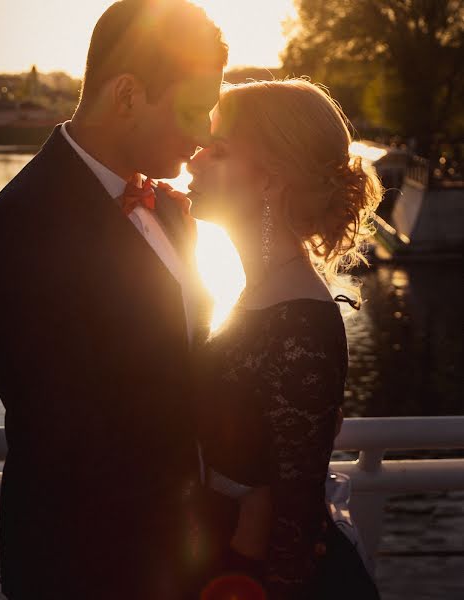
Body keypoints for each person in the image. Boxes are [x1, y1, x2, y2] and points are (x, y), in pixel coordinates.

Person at [0, 1, 227, 597]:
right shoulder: (22, 227)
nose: (205, 133)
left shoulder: (171, 212)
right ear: (129, 95)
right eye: (194, 109)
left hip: (179, 557)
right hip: (84, 564)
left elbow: (185, 363)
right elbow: (69, 431)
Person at [188, 79, 383, 599]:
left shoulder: (300, 319)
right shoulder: (263, 294)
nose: (193, 160)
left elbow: (295, 519)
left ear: (270, 180)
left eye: (218, 150)